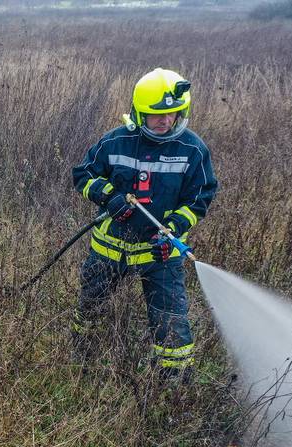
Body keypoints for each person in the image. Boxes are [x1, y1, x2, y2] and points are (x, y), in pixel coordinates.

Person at [71, 68, 217, 380]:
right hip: (110, 250)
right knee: (91, 307)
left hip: (160, 254)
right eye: (156, 116)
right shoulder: (115, 142)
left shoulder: (193, 150)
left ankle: (174, 384)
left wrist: (175, 227)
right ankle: (82, 357)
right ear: (140, 113)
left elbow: (201, 196)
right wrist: (109, 197)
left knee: (171, 321)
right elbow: (83, 174)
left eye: (172, 114)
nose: (165, 121)